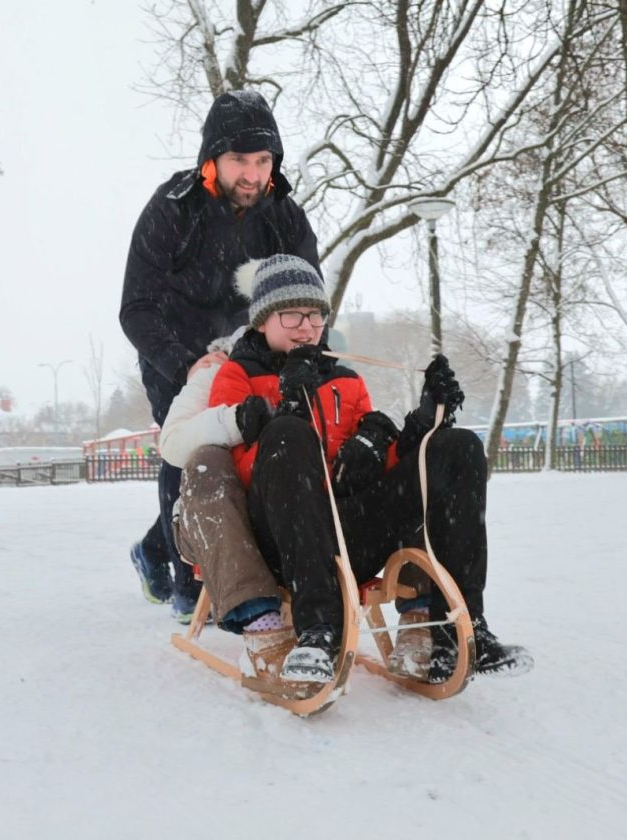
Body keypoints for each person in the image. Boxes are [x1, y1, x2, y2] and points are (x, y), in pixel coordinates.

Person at [207, 254, 532, 685]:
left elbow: (391, 463)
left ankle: (457, 631)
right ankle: (317, 633)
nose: (307, 326)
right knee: (287, 433)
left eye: (315, 314)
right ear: (263, 320)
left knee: (458, 447)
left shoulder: (346, 380)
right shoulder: (236, 376)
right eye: (291, 315)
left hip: (351, 531)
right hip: (284, 541)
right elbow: (241, 474)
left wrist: (421, 422)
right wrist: (287, 406)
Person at [120, 90, 320, 622]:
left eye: (263, 160)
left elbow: (308, 295)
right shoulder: (172, 208)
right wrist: (186, 361)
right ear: (211, 158)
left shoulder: (283, 216)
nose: (253, 174)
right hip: (178, 354)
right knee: (190, 448)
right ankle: (189, 584)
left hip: (253, 353)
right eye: (239, 160)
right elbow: (135, 307)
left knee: (254, 454)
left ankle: (157, 547)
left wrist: (301, 352)